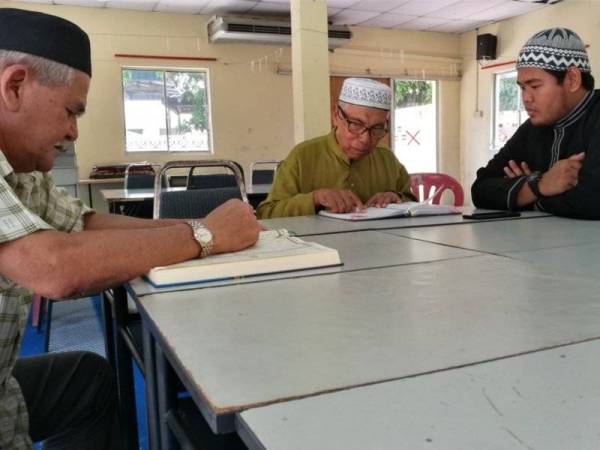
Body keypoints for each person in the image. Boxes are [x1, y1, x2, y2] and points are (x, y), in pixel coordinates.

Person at [0, 9, 261, 450]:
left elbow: (85, 223)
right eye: (70, 111)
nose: (73, 131)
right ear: (15, 85)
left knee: (86, 380)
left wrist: (200, 226)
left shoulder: (24, 169)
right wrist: (207, 237)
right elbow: (53, 268)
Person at [471, 27, 600, 219]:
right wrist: (539, 184)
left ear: (572, 79)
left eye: (535, 86)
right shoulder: (533, 128)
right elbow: (480, 190)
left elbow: (591, 202)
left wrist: (525, 195)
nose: (526, 98)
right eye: (522, 88)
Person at [257, 78, 415, 219]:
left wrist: (395, 197)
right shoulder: (303, 156)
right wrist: (315, 199)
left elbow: (413, 203)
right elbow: (267, 214)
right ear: (336, 116)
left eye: (377, 128)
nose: (365, 139)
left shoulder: (386, 159)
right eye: (356, 124)